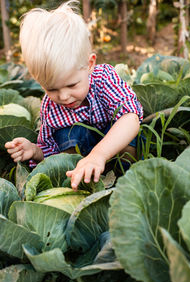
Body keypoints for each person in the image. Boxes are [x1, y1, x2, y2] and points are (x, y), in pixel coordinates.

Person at [5, 0, 143, 191]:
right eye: (51, 89)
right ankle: (86, 186)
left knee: (126, 135)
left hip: (120, 160)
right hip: (81, 174)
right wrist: (35, 151)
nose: (64, 96)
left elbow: (131, 119)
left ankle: (126, 178)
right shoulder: (49, 107)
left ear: (90, 64)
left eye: (72, 85)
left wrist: (99, 155)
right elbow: (53, 156)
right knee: (66, 136)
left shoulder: (104, 78)